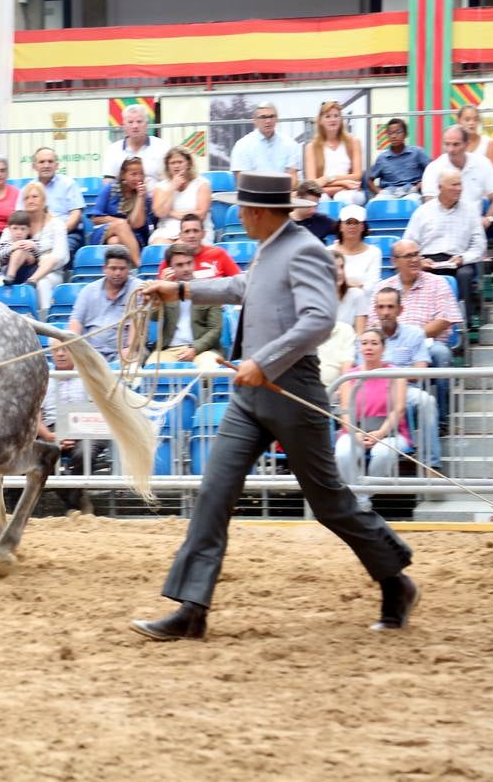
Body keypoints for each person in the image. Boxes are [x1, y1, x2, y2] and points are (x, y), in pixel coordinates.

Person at [131, 171, 416, 641]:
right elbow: (240, 288)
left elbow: (320, 320)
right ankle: (192, 608)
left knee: (330, 503)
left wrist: (263, 360)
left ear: (260, 212)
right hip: (250, 393)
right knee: (214, 492)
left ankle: (394, 580)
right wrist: (179, 290)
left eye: (242, 209)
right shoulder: (268, 247)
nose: (236, 216)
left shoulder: (303, 249)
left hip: (291, 388)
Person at [369, 239, 460, 433]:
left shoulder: (437, 283)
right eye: (408, 256)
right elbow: (373, 323)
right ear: (394, 261)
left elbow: (445, 318)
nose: (414, 260)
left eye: (417, 254)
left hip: (429, 342)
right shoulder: (383, 287)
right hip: (391, 341)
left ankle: (442, 420)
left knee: (442, 354)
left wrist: (412, 336)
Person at [334, 328, 410, 511]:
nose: (369, 347)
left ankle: (362, 498)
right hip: (355, 430)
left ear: (383, 348)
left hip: (391, 431)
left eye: (374, 343)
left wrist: (381, 433)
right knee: (343, 453)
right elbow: (345, 412)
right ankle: (359, 499)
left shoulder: (395, 374)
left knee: (383, 453)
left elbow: (399, 409)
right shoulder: (349, 376)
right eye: (364, 343)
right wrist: (356, 433)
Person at [405, 167, 486, 327]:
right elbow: (409, 242)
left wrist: (463, 258)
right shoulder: (423, 211)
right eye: (454, 185)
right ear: (440, 188)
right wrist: (419, 261)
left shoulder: (470, 211)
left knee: (465, 275)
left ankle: (464, 325)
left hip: (458, 261)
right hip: (428, 260)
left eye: (460, 184)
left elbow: (480, 245)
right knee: (412, 273)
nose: (459, 189)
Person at [370, 286, 440, 470]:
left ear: (400, 309)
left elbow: (420, 372)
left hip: (407, 388)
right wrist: (397, 371)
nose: (385, 312)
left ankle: (431, 465)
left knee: (427, 400)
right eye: (381, 307)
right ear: (375, 310)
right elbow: (362, 372)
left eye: (390, 307)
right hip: (374, 391)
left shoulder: (414, 334)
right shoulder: (368, 338)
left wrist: (391, 374)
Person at [38, 346, 107, 506]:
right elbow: (35, 418)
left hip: (86, 427)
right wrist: (50, 436)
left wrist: (76, 431)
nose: (60, 353)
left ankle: (73, 500)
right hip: (51, 430)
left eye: (65, 349)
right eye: (56, 350)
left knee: (84, 453)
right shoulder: (43, 379)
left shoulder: (89, 375)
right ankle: (76, 501)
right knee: (44, 455)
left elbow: (99, 411)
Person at [0, 182, 70, 313]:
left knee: (42, 283)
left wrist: (39, 253)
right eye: (27, 198)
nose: (30, 200)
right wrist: (14, 247)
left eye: (35, 197)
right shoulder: (17, 224)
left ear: (44, 200)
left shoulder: (57, 224)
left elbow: (62, 257)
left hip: (48, 273)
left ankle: (45, 321)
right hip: (16, 270)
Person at [145, 244, 222, 369]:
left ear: (194, 263)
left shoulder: (209, 288)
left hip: (203, 350)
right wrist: (160, 293)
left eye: (189, 263)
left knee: (209, 369)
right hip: (169, 349)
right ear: (170, 268)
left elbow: (215, 329)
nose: (186, 268)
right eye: (180, 265)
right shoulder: (163, 290)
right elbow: (154, 317)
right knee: (151, 369)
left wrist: (195, 349)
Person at [68, 244, 142, 363]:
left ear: (129, 269)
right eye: (113, 268)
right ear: (105, 268)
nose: (117, 273)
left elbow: (137, 323)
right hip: (91, 353)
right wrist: (75, 349)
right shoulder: (88, 291)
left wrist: (130, 348)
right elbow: (76, 321)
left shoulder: (138, 289)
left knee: (131, 359)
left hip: (123, 354)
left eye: (122, 268)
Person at [421, 125, 493, 218]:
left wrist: (488, 219)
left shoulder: (482, 163)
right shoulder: (434, 168)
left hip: (478, 222)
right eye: (447, 144)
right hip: (444, 223)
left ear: (467, 145)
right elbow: (430, 202)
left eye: (456, 144)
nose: (450, 150)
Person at [90, 156, 151, 266]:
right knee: (120, 225)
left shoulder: (143, 195)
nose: (138, 178)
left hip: (134, 235)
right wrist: (120, 223)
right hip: (105, 232)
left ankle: (120, 270)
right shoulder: (110, 188)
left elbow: (136, 224)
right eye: (133, 174)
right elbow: (96, 218)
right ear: (123, 175)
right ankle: (139, 265)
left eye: (141, 174)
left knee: (115, 242)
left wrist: (140, 198)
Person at [304, 100, 365, 205]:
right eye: (328, 116)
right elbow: (312, 183)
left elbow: (357, 176)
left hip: (350, 191)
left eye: (336, 116)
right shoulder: (311, 147)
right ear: (320, 121)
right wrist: (343, 183)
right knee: (321, 200)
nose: (333, 120)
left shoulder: (354, 142)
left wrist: (327, 179)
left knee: (343, 198)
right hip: (325, 191)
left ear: (341, 119)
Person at [149, 147, 212, 244]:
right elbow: (160, 213)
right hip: (167, 228)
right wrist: (172, 187)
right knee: (158, 244)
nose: (176, 166)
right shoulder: (161, 186)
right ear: (167, 166)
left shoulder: (202, 184)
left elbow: (201, 215)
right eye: (172, 163)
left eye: (180, 162)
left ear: (188, 163)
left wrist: (171, 213)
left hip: (194, 228)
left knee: (180, 246)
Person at [229, 102, 301, 185]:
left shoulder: (290, 144)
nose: (268, 121)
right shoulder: (242, 145)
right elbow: (242, 181)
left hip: (282, 194)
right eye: (263, 117)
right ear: (255, 120)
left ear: (277, 119)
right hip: (254, 195)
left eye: (271, 116)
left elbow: (292, 178)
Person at [154, 214, 240, 281]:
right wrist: (163, 282)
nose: (191, 235)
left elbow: (238, 281)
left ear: (203, 234)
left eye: (196, 231)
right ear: (181, 235)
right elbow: (159, 290)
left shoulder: (219, 254)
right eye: (187, 231)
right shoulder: (172, 259)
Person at [33, 147, 86, 254]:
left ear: (57, 165)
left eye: (50, 161)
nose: (46, 165)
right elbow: (22, 216)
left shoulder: (68, 184)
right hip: (37, 235)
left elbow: (76, 215)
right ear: (34, 166)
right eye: (42, 162)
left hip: (67, 233)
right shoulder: (28, 189)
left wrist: (58, 234)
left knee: (59, 251)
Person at [101, 103, 169, 185]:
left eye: (139, 121)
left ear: (147, 124)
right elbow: (108, 182)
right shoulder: (112, 150)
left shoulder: (162, 147)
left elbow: (168, 180)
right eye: (130, 122)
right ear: (124, 125)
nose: (135, 126)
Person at [366, 118, 430, 200]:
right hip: (388, 194)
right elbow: (369, 180)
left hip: (412, 192)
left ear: (406, 134)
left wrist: (420, 185)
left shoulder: (417, 152)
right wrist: (379, 191)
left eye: (398, 132)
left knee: (411, 203)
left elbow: (432, 170)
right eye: (390, 133)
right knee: (374, 204)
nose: (394, 136)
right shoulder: (382, 158)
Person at [328, 205, 380, 293]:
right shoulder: (328, 252)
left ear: (363, 227)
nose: (352, 226)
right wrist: (356, 285)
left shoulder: (374, 252)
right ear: (340, 226)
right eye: (348, 222)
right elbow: (327, 284)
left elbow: (371, 288)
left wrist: (342, 285)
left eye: (356, 222)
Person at [332, 254, 368, 336]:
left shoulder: (357, 295)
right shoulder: (317, 298)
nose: (340, 272)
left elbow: (360, 335)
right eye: (335, 268)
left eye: (342, 267)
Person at [456, 103, 493, 170]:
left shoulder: (488, 143)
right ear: (459, 121)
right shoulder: (454, 144)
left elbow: (492, 174)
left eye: (475, 119)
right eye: (467, 120)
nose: (472, 123)